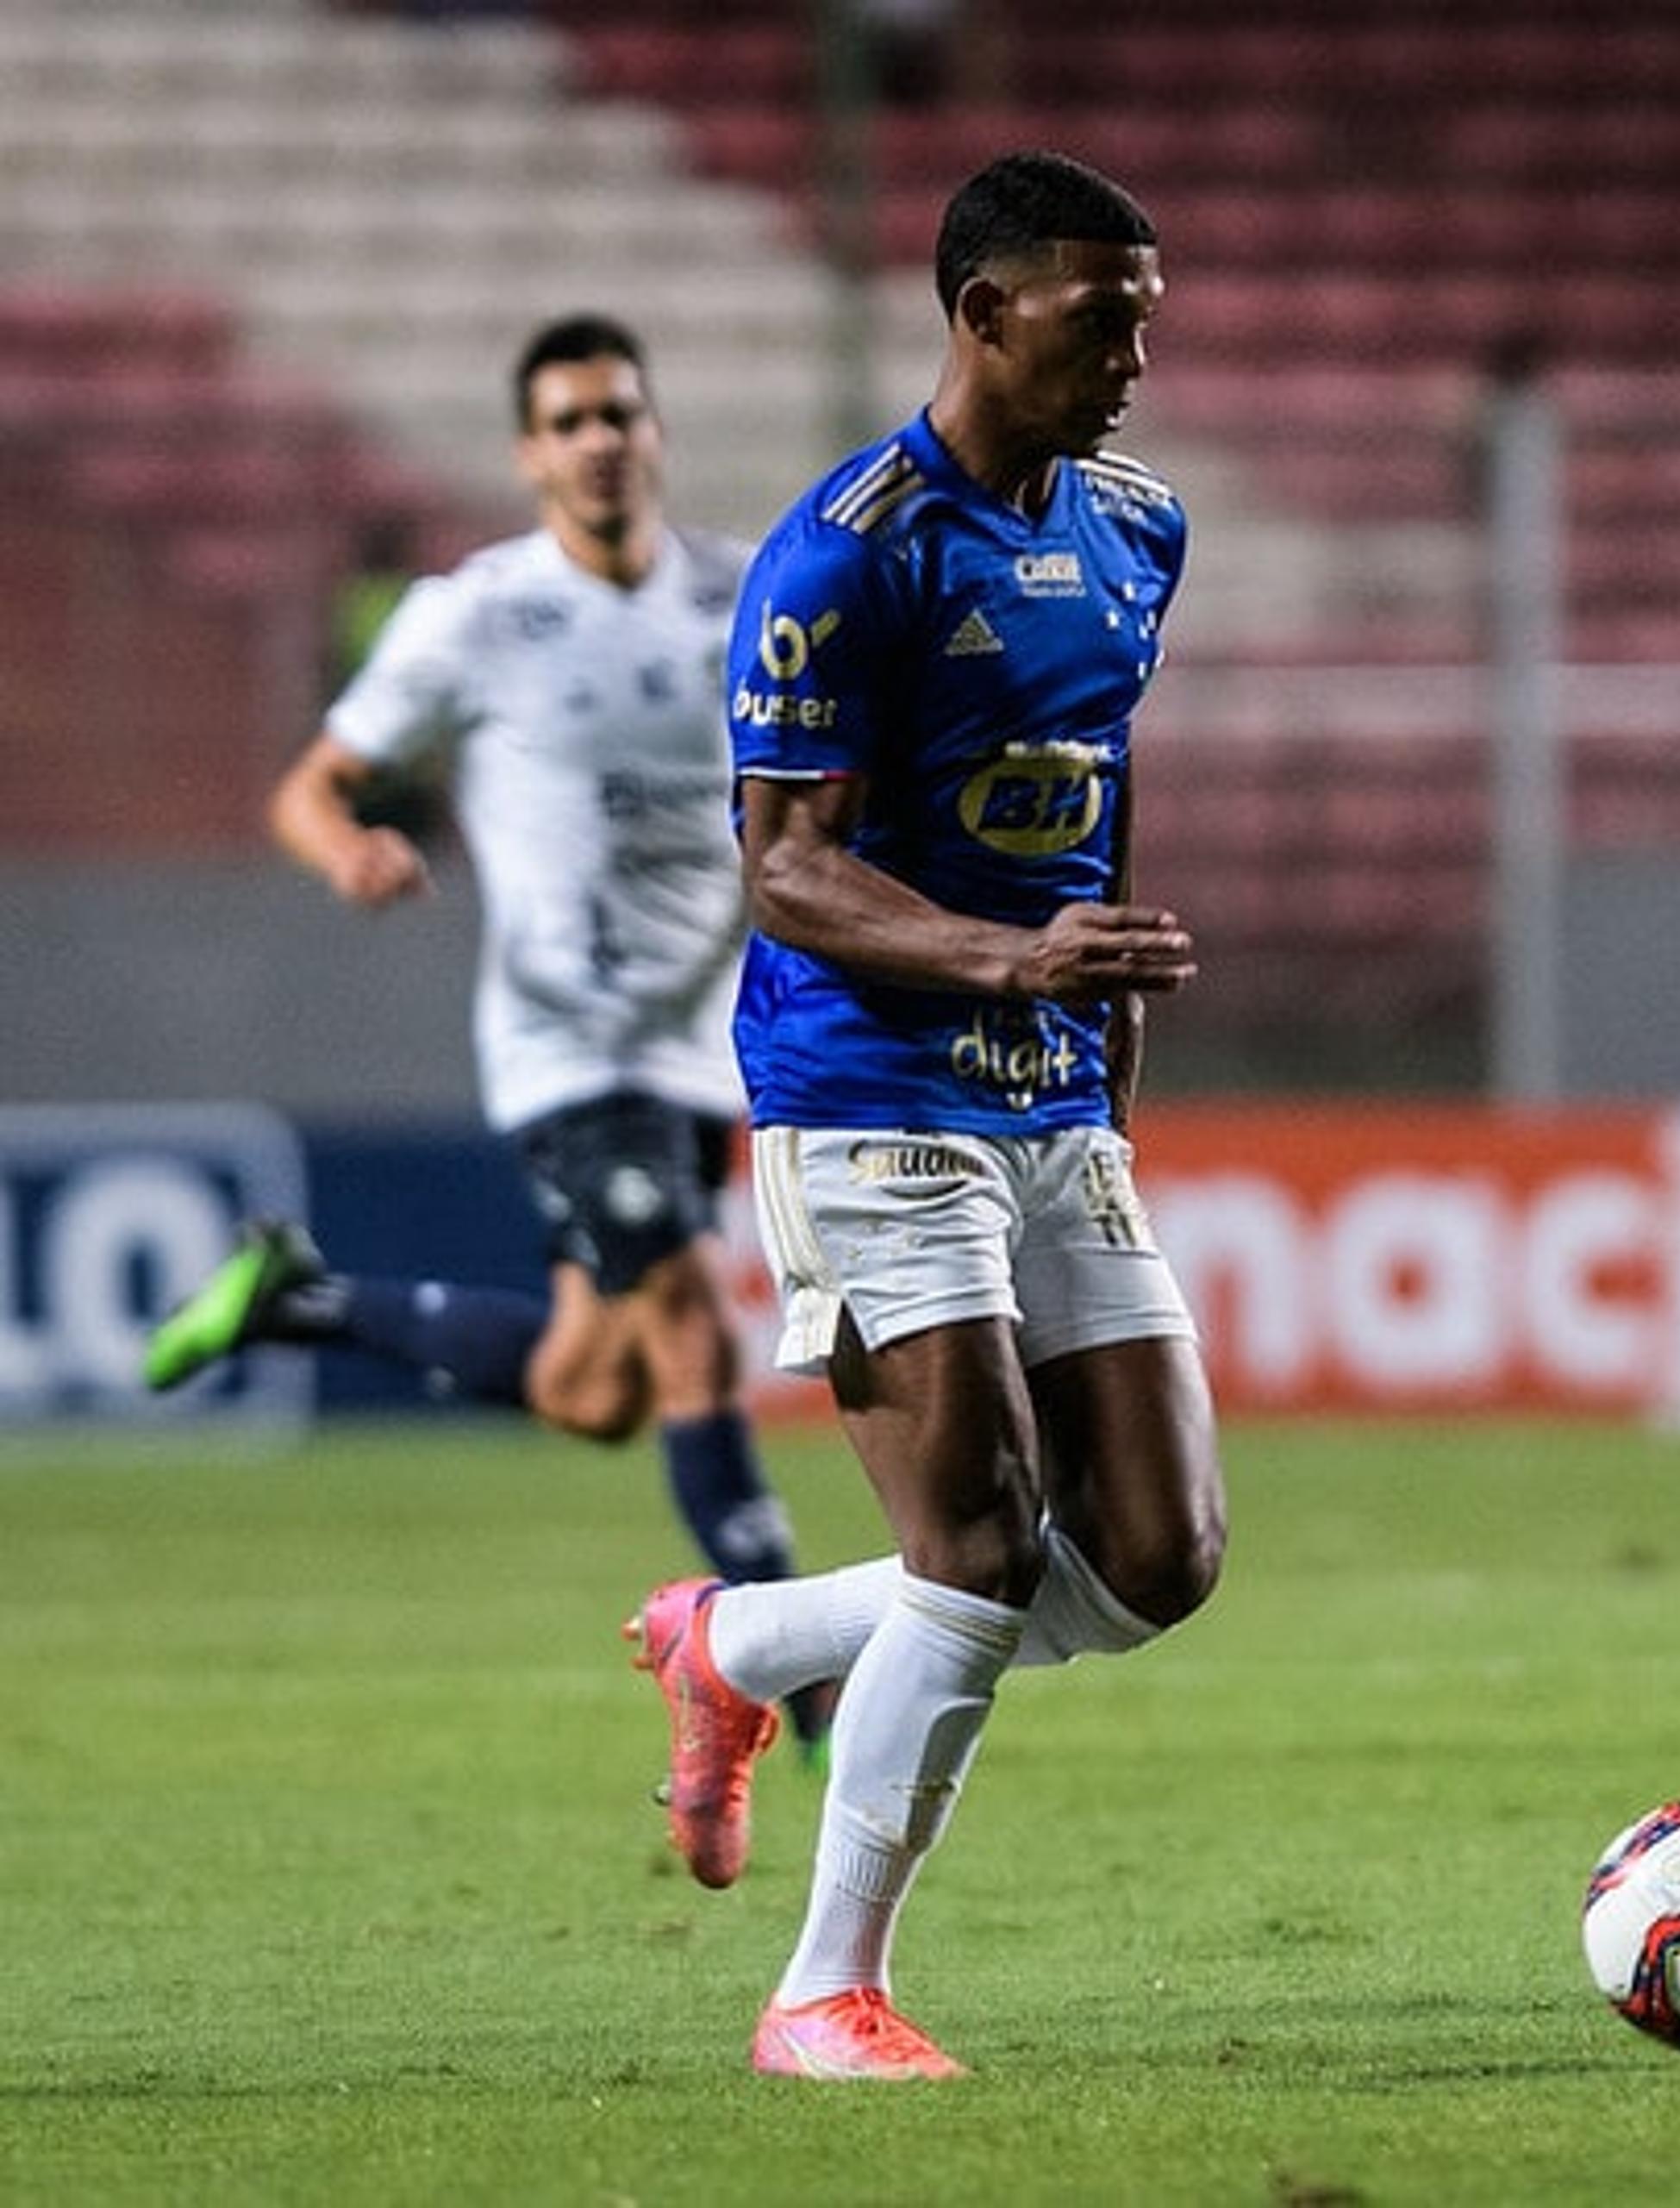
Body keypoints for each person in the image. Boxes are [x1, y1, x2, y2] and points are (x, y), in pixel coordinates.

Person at [620, 149, 1224, 2083]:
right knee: (973, 1537)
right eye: (1098, 315)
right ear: (979, 314)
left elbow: (1092, 800)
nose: (1137, 351)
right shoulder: (845, 553)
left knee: (1157, 1552)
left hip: (1050, 1099)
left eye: (1147, 311)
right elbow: (785, 869)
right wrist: (1002, 962)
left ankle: (746, 1643)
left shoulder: (1141, 527)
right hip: (865, 1090)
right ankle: (821, 1994)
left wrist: (1101, 1067)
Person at [143, 316, 828, 1756]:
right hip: (565, 1048)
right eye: (570, 420)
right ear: (528, 454)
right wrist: (350, 851)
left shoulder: (736, 598)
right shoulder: (473, 614)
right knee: (697, 1335)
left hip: (701, 1043)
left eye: (619, 414)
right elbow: (310, 789)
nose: (599, 440)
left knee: (597, 1387)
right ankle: (786, 1669)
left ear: (655, 433)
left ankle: (302, 1300)